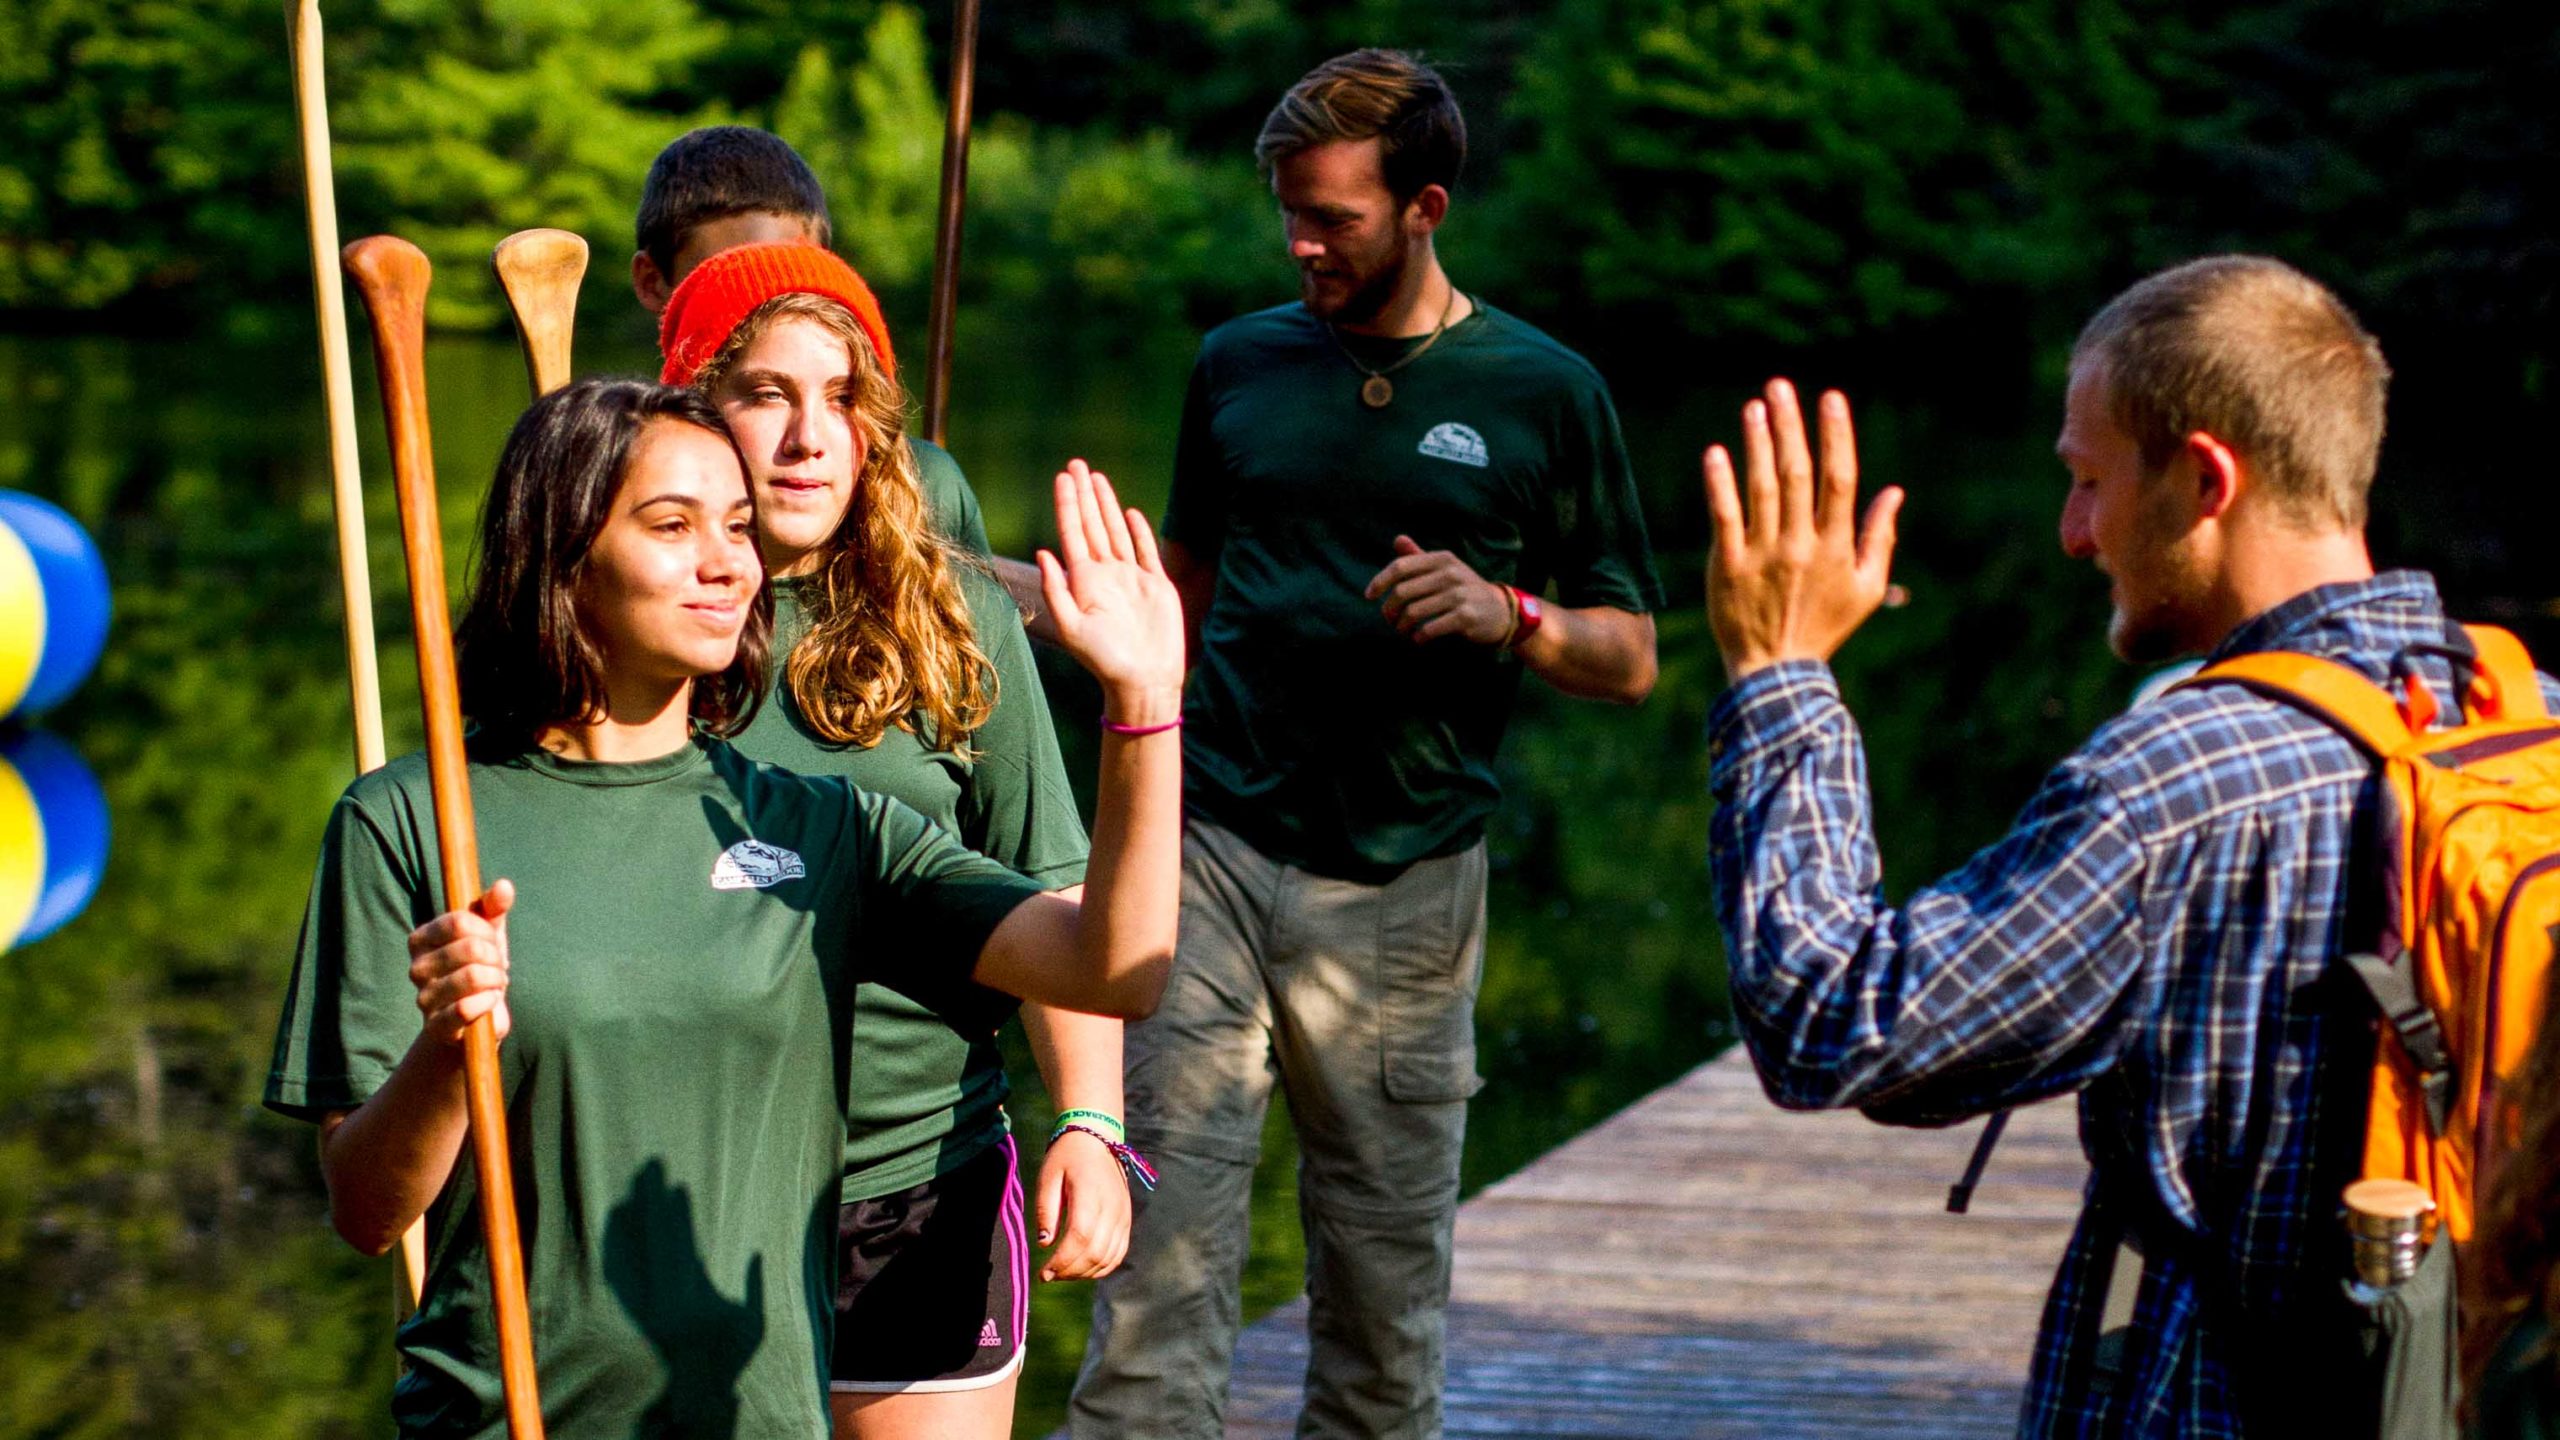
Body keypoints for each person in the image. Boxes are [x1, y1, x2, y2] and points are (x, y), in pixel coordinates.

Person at [1701, 254, 2560, 1435]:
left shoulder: (2172, 784)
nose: (2071, 533)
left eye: (2089, 482)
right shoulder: (2537, 716)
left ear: (2205, 479)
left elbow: (1833, 1024)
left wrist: (1777, 673)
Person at [263, 378, 1184, 1439]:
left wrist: (1144, 708)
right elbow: (368, 1212)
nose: (727, 562)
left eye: (737, 527)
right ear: (561, 558)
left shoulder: (827, 830)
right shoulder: (411, 823)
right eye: (672, 525)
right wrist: (444, 1048)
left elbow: (1117, 970)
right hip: (499, 1417)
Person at [1070, 49, 1664, 1440]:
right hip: (1209, 850)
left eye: (1330, 216)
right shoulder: (1237, 365)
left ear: (1427, 207)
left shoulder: (1544, 390)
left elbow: (1630, 654)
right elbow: (1188, 593)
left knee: (1381, 1330)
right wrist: (1072, 624)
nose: (1300, 241)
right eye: (1287, 209)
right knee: (1158, 1290)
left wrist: (1510, 613)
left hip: (1403, 895)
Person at [655, 240, 1138, 1438]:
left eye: (839, 398)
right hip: (674, 1190)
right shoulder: (625, 626)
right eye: (766, 393)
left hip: (916, 1184)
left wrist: (1090, 1116)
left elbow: (1052, 879)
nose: (808, 435)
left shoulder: (955, 618)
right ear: (691, 411)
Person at [633, 124, 992, 558]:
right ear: (652, 282)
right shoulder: (620, 483)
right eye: (726, 277)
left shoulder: (924, 483)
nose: (767, 305)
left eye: (795, 273)